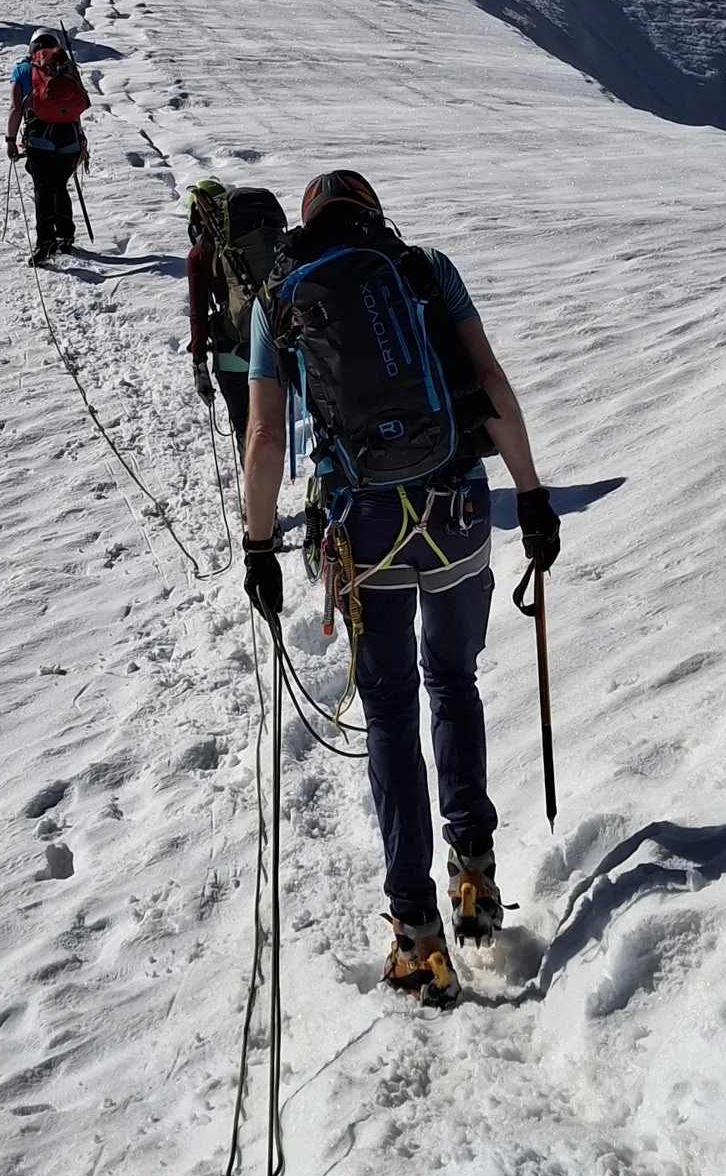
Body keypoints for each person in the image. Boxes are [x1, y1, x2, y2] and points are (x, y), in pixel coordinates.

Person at [240, 169, 560, 1007]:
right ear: (374, 214)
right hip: (454, 511)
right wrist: (530, 493)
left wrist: (260, 543)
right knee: (454, 679)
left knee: (389, 707)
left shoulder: (282, 298)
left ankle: (417, 935)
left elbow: (267, 433)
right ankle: (476, 878)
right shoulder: (424, 270)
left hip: (363, 529)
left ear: (310, 224)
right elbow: (488, 385)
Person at [185, 180, 287, 445]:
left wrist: (199, 364)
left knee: (247, 429)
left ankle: (254, 480)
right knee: (273, 423)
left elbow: (197, 314)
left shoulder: (198, 254)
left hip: (233, 349)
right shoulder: (257, 241)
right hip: (276, 337)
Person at [6, 27, 90, 264]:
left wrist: (11, 140)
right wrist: (81, 140)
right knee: (59, 185)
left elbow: (16, 109)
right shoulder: (69, 68)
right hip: (70, 138)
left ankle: (46, 241)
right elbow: (76, 107)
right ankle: (65, 234)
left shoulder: (23, 70)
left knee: (43, 189)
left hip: (39, 137)